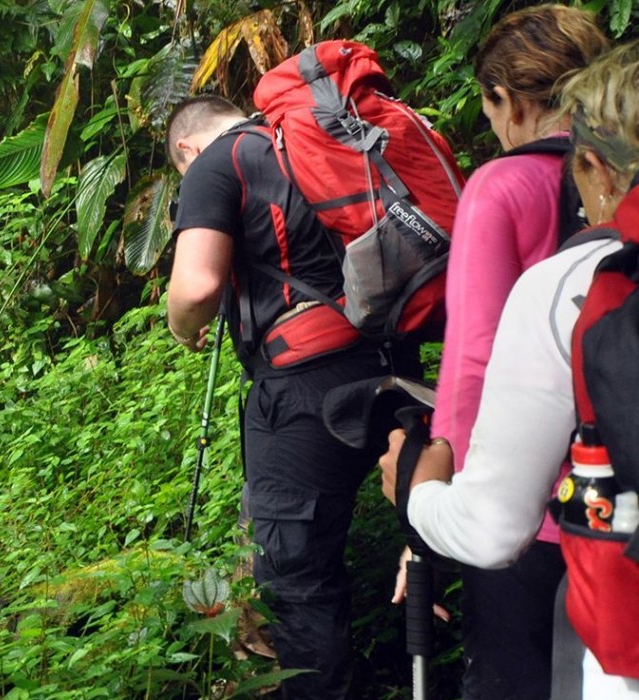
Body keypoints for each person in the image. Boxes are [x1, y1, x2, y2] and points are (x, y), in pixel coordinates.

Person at [380, 41, 639, 697]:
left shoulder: (557, 255)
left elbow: (471, 360)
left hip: (571, 533)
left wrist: (423, 493)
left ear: (596, 168)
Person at [164, 95, 410, 698]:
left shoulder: (215, 164)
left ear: (187, 151)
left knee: (295, 582)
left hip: (305, 391)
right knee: (431, 541)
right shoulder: (312, 148)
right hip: (394, 365)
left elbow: (197, 284)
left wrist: (180, 324)